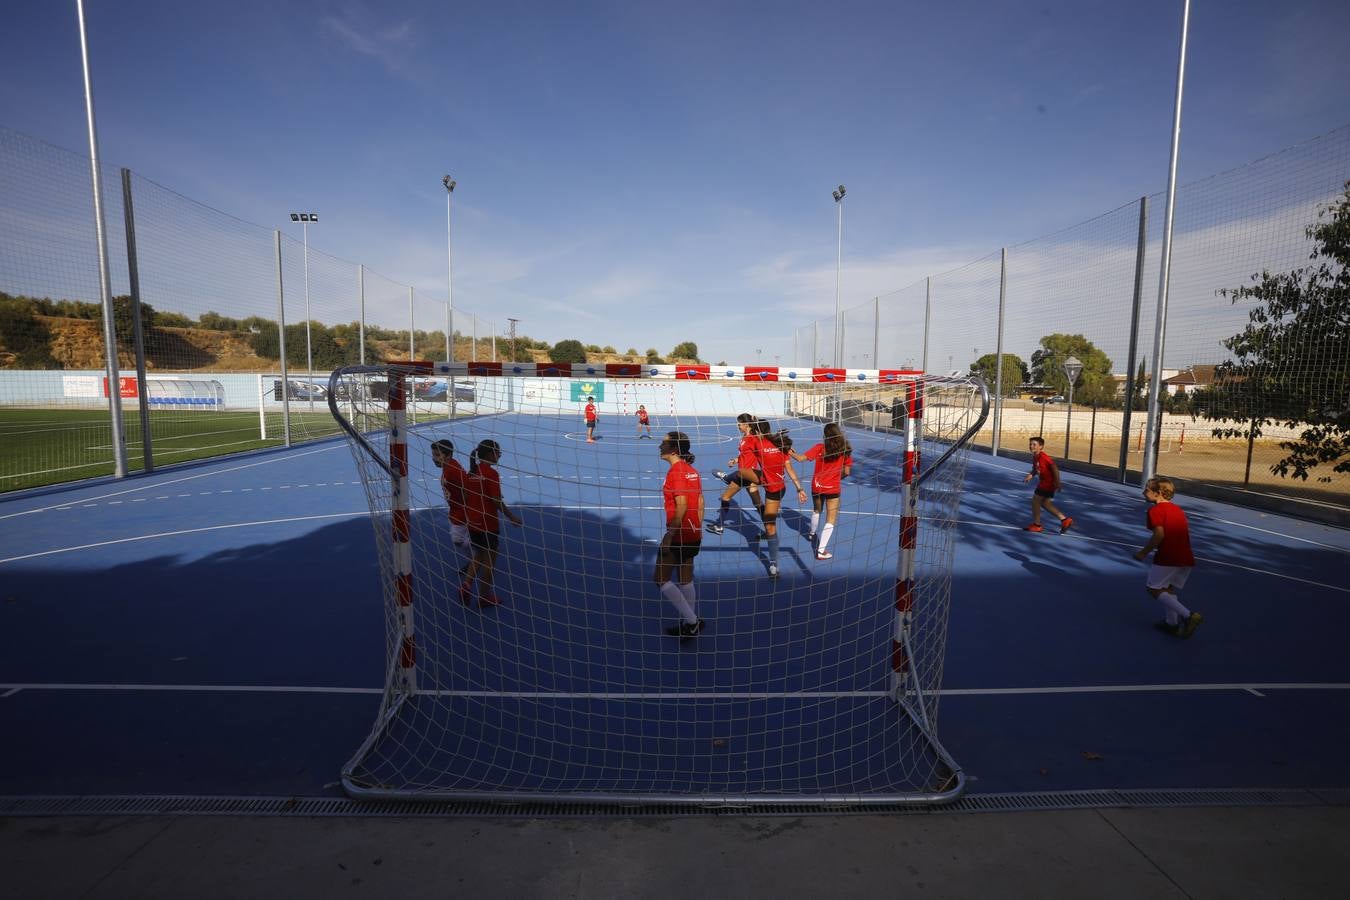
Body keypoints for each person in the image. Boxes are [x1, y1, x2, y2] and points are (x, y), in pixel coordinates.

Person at [1132, 476, 1202, 638]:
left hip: (1168, 556)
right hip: (1185, 556)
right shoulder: (1178, 509)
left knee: (1153, 589)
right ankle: (1172, 624)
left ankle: (1188, 615)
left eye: (1147, 490)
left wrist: (1144, 552)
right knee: (1167, 588)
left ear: (1158, 494)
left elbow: (1159, 534)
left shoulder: (1155, 510)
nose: (1144, 492)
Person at [461, 439, 523, 608]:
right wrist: (511, 517)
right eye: (498, 453)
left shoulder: (471, 471)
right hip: (487, 524)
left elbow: (466, 496)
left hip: (473, 523)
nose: (499, 456)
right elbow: (496, 500)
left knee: (479, 555)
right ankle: (484, 597)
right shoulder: (491, 474)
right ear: (491, 454)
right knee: (489, 562)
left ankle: (466, 584)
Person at [656, 431, 706, 639]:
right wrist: (698, 527)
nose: (660, 445)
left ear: (673, 449)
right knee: (685, 579)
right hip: (693, 532)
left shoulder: (676, 472)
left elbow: (682, 504)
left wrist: (670, 534)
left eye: (664, 443)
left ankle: (692, 621)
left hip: (680, 534)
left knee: (660, 578)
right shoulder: (691, 471)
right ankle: (689, 624)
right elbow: (701, 501)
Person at [790, 422, 853, 561]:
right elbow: (847, 472)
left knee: (816, 510)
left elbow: (800, 459)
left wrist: (788, 450)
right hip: (833, 488)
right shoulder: (845, 450)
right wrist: (837, 477)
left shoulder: (819, 448)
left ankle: (812, 533)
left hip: (817, 486)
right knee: (830, 519)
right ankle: (821, 551)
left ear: (825, 435)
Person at [753, 425, 807, 577]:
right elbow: (789, 468)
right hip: (779, 487)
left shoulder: (759, 443)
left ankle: (773, 564)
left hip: (774, 491)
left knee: (770, 526)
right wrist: (799, 488)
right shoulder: (779, 443)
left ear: (757, 432)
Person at [707, 413, 765, 535]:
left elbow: (761, 454)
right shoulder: (744, 437)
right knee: (758, 504)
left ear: (746, 424)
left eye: (739, 424)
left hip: (746, 475)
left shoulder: (754, 439)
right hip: (745, 475)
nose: (738, 426)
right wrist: (735, 460)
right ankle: (770, 531)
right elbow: (744, 455)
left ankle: (720, 526)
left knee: (725, 497)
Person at [430, 439, 471, 567]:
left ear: (448, 455)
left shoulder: (453, 470)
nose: (434, 458)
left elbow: (466, 489)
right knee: (458, 539)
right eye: (433, 454)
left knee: (458, 540)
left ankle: (478, 557)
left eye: (437, 455)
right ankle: (475, 558)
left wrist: (468, 510)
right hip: (455, 509)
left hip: (462, 511)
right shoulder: (447, 467)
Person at [1023, 436, 1073, 533]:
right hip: (1046, 483)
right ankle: (1065, 520)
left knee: (1035, 501)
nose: (1031, 446)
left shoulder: (1043, 457)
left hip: (1047, 483)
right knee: (1045, 503)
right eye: (1030, 444)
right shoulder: (1035, 456)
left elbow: (1054, 468)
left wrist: (1058, 482)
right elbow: (1035, 469)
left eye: (1034, 444)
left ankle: (1037, 525)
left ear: (1041, 446)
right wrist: (1031, 475)